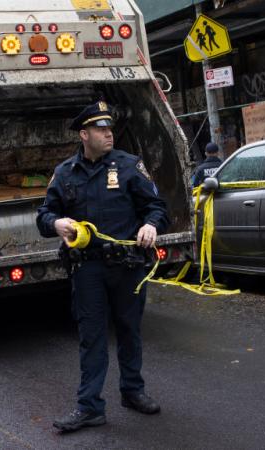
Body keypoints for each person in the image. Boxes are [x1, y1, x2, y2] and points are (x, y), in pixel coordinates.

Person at [36, 101, 169, 432]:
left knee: (129, 331)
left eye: (109, 128)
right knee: (91, 336)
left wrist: (151, 225)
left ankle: (133, 392)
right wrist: (57, 224)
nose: (109, 133)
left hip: (127, 266)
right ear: (84, 135)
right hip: (87, 270)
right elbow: (43, 215)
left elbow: (157, 207)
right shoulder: (65, 173)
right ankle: (90, 407)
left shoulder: (129, 166)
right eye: (100, 129)